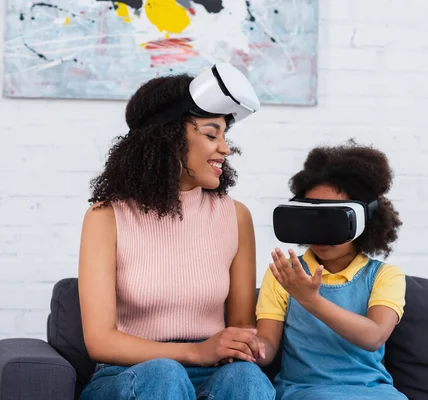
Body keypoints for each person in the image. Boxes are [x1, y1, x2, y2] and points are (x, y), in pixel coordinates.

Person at [77, 64, 275, 400]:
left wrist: (243, 345)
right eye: (212, 134)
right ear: (166, 139)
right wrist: (196, 352)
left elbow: (240, 327)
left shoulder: (235, 216)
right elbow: (100, 341)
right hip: (128, 375)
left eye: (225, 135)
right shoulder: (106, 217)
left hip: (211, 373)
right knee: (164, 374)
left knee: (246, 379)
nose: (225, 149)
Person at [255, 140, 409, 400]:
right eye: (313, 219)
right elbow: (267, 346)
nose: (321, 234)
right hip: (306, 391)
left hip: (375, 392)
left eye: (333, 220)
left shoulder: (385, 277)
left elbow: (373, 336)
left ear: (364, 221)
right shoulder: (285, 274)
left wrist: (311, 300)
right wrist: (251, 348)